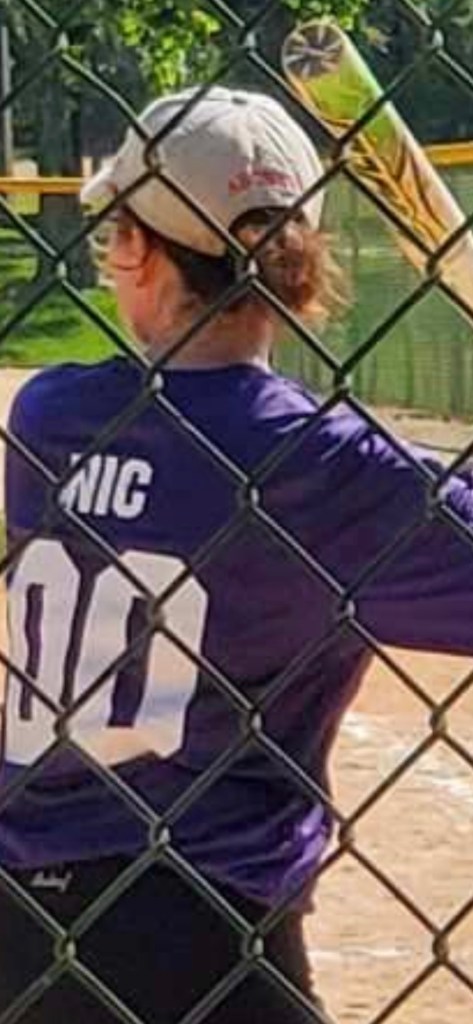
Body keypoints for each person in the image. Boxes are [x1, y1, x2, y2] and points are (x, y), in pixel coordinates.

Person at [1, 85, 473, 1024]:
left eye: (117, 234)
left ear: (139, 251)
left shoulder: (51, 416)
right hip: (205, 929)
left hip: (20, 922)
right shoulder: (326, 467)